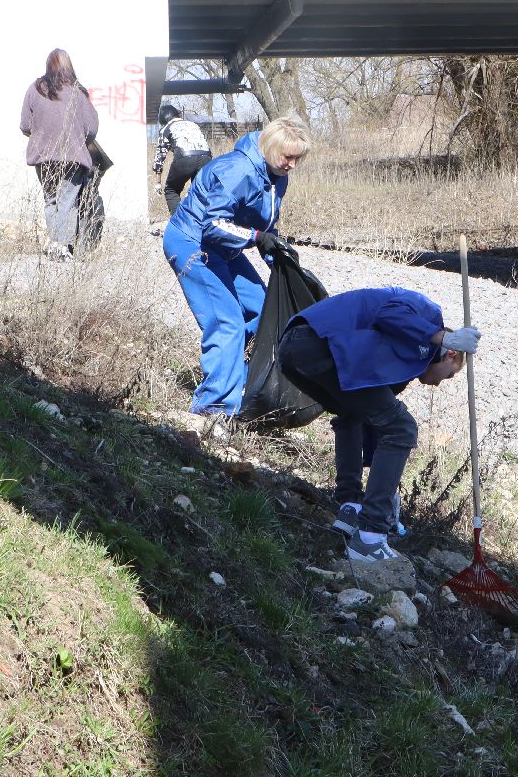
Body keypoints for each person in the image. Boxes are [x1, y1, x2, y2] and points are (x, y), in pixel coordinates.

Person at [277, 287, 481, 564]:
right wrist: (445, 336)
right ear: (451, 355)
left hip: (293, 349)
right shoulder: (429, 313)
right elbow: (390, 312)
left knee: (353, 414)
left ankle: (351, 507)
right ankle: (370, 536)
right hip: (317, 342)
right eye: (448, 377)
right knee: (403, 428)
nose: (436, 384)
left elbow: (372, 422)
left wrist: (385, 488)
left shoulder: (400, 361)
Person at [162, 115, 309, 421]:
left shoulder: (276, 177)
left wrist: (277, 255)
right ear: (270, 148)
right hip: (193, 243)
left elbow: (264, 225)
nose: (292, 165)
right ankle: (213, 409)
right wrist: (257, 238)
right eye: (288, 157)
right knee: (226, 321)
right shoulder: (237, 171)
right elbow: (213, 225)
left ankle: (239, 382)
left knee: (262, 307)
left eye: (298, 158)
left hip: (223, 247)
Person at [20, 49, 103, 261]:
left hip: (42, 157)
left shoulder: (35, 88)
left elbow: (25, 125)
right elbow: (92, 129)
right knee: (68, 201)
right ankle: (62, 246)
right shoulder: (77, 91)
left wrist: (42, 134)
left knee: (51, 201)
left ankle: (54, 245)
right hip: (72, 156)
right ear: (69, 66)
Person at [152, 103, 212, 216]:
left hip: (185, 158)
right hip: (206, 158)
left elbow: (159, 157)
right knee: (200, 192)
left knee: (171, 190)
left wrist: (158, 182)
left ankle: (179, 223)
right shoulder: (193, 124)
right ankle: (203, 221)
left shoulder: (166, 129)